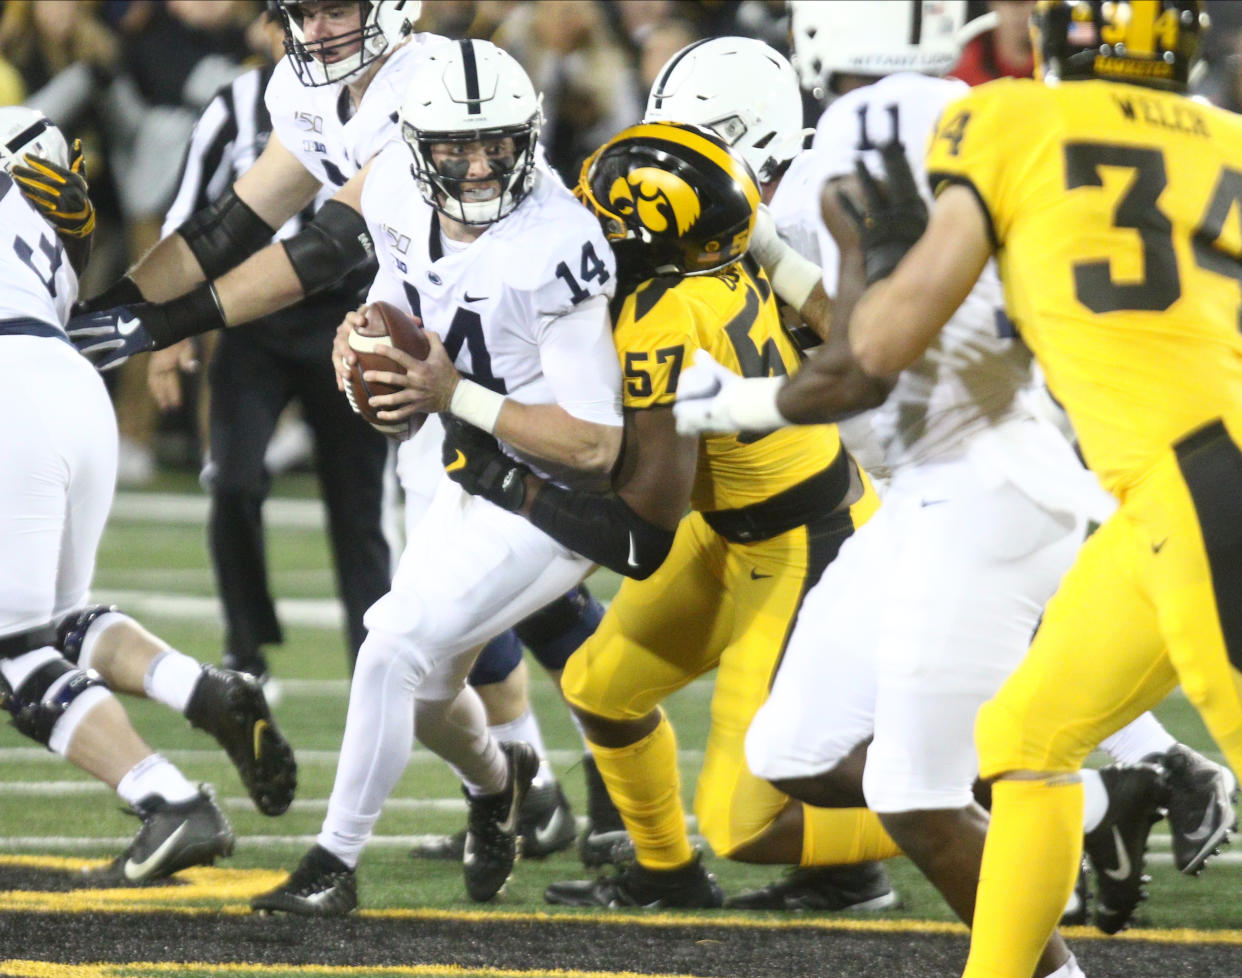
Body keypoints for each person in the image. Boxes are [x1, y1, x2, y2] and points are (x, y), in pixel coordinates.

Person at [672, 0, 1237, 950]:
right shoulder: (1222, 137)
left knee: (916, 782)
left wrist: (727, 402)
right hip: (1125, 490)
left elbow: (876, 348)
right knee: (1016, 743)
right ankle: (1124, 805)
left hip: (1156, 487)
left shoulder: (1012, 117)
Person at [71, 0, 610, 862]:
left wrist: (164, 328)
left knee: (482, 620)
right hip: (438, 378)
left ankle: (588, 798)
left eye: (336, 12)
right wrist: (109, 312)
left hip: (521, 369)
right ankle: (522, 789)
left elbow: (323, 248)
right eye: (301, 13)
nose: (315, 32)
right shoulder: (307, 91)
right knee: (453, 638)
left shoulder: (427, 86)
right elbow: (228, 228)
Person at [438, 118, 910, 909]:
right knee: (599, 685)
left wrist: (509, 482)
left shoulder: (660, 312)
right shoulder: (711, 259)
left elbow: (641, 537)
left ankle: (992, 807)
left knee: (744, 820)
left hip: (808, 548)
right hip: (738, 527)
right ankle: (667, 874)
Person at [250, 40, 624, 915]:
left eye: (497, 142)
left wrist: (456, 393)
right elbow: (403, 293)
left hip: (550, 499)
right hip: (468, 471)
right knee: (424, 694)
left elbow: (597, 447)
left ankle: (333, 866)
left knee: (389, 645)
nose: (481, 163)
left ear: (528, 136)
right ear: (415, 149)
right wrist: (368, 343)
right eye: (456, 147)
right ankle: (501, 785)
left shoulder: (557, 241)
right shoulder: (390, 193)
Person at [633, 34, 899, 911]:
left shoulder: (831, 190)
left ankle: (1044, 807)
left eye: (695, 146)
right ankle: (667, 858)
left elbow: (862, 353)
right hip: (765, 494)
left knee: (768, 785)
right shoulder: (713, 212)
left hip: (875, 487)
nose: (672, 168)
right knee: (609, 675)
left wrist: (773, 253)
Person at [0, 105, 295, 884]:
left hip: (6, 388)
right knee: (59, 621)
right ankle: (202, 687)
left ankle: (165, 798)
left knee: (12, 655)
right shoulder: (45, 197)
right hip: (69, 379)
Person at [149, 5, 391, 684]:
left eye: (323, 18)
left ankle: (375, 662)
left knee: (358, 504)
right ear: (267, 29)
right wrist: (166, 328)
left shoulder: (380, 95)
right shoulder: (239, 101)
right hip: (257, 320)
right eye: (293, 21)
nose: (308, 38)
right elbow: (190, 213)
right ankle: (245, 649)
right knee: (232, 479)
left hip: (349, 315)